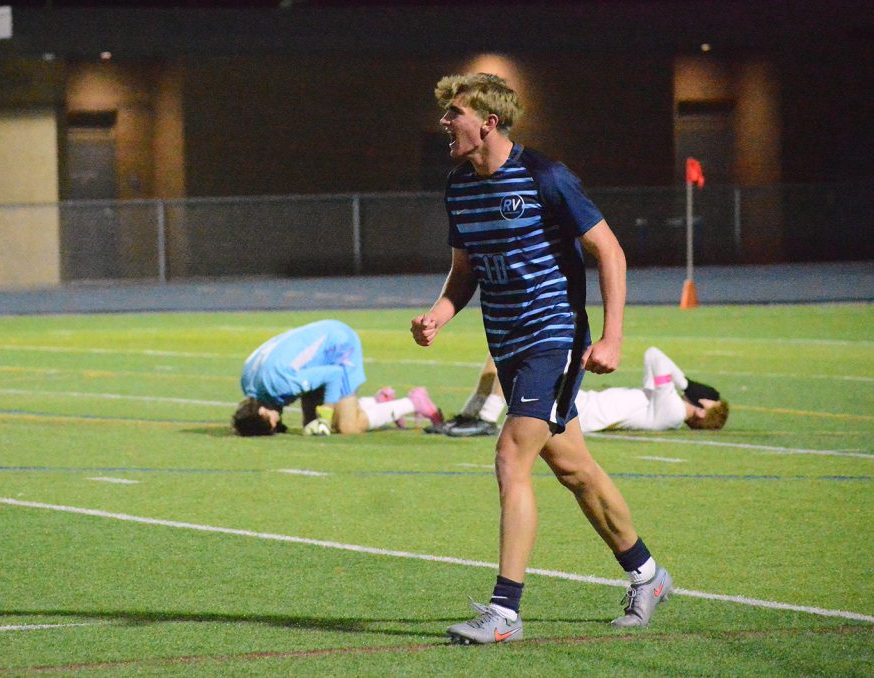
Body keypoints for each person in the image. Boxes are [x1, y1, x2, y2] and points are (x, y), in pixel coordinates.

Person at [411, 73, 672, 644]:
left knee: (510, 455)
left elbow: (610, 251)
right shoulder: (459, 186)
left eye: (454, 114)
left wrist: (612, 337)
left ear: (489, 122)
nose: (445, 124)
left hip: (552, 337)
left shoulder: (545, 177)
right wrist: (438, 314)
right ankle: (648, 575)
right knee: (574, 467)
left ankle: (505, 613)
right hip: (506, 344)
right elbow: (465, 273)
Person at [431, 348, 729, 436]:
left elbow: (656, 355)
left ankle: (485, 418)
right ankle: (471, 414)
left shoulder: (673, 410)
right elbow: (653, 363)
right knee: (502, 352)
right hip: (580, 402)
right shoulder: (665, 405)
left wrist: (687, 385)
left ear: (703, 410)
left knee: (523, 354)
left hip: (579, 410)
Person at [232, 319, 443, 436]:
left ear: (263, 411)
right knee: (311, 427)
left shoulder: (280, 383)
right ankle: (377, 403)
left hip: (338, 348)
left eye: (271, 424)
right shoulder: (250, 383)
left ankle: (414, 402)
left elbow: (333, 374)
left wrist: (325, 417)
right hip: (319, 350)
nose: (276, 424)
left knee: (347, 427)